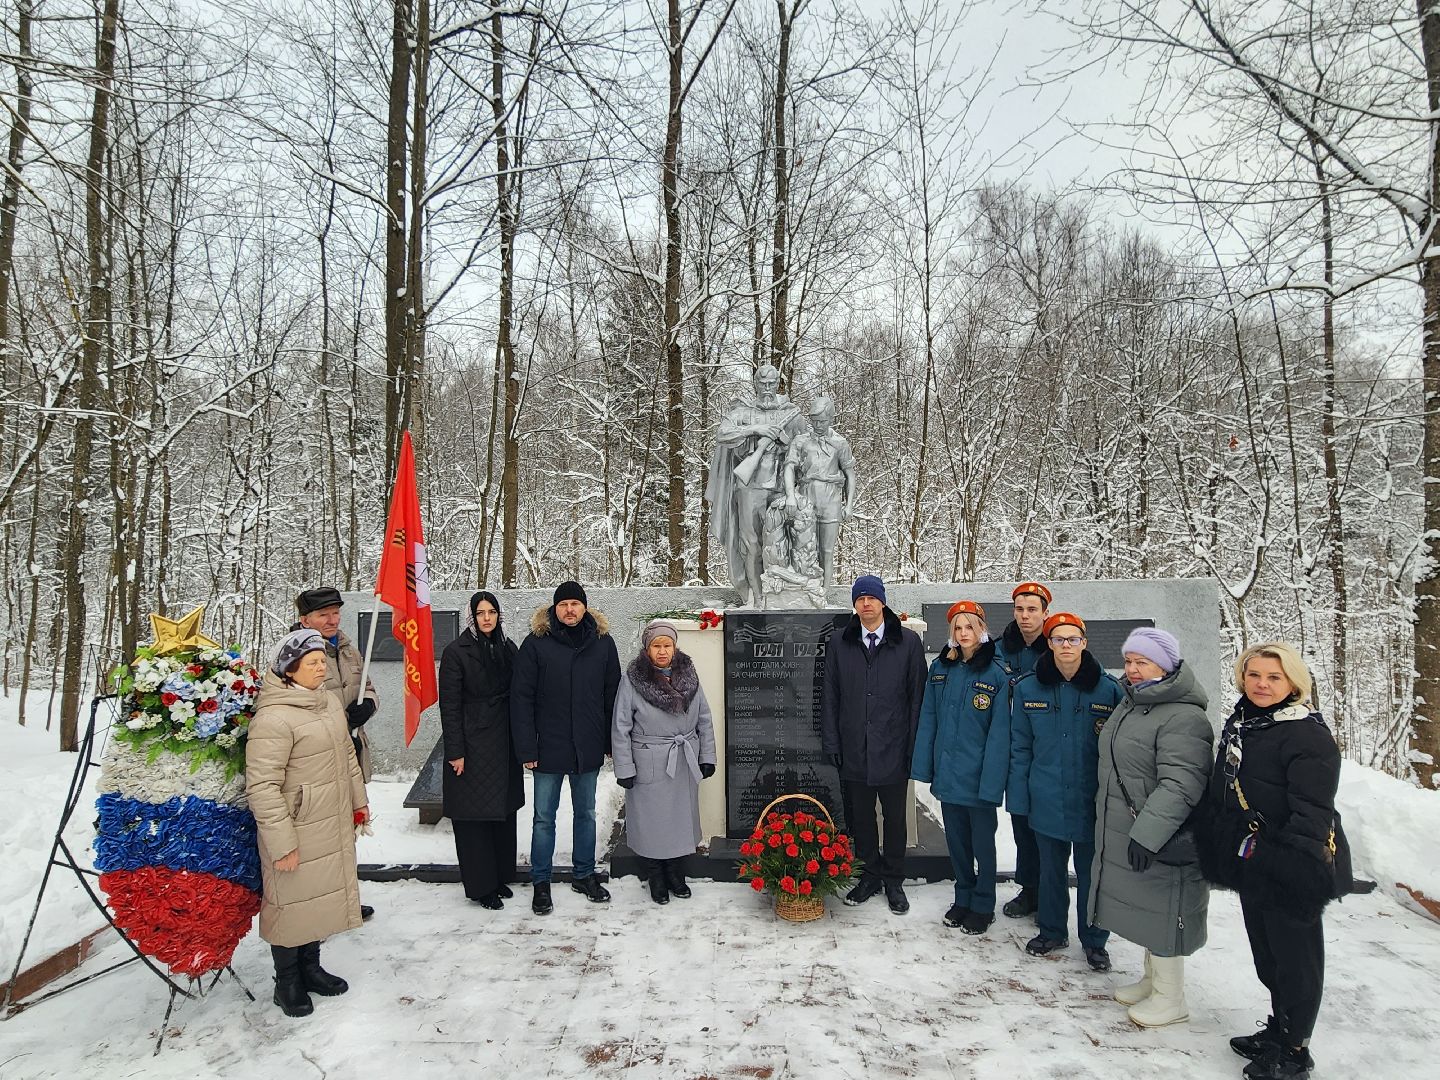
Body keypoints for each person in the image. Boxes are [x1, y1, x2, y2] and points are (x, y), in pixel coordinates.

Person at [1196, 643, 1350, 1080]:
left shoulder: (1306, 733)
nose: (1262, 684)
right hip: (1255, 856)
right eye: (1254, 675)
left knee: (1296, 958)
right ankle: (1279, 1030)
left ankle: (1296, 1049)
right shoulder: (1248, 719)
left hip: (1290, 864)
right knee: (1268, 953)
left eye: (1273, 677)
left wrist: (1292, 866)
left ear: (1293, 683)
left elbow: (1313, 810)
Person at [1090, 627, 1213, 1028]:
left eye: (1142, 662)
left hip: (1161, 834)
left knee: (1165, 910)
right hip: (1130, 825)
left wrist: (1147, 833)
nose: (1133, 669)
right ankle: (1152, 979)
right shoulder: (1134, 704)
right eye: (1129, 661)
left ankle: (1170, 996)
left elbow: (1181, 783)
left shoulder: (1184, 716)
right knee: (1147, 909)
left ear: (1167, 665)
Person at [246, 629, 369, 1018]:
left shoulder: (329, 702)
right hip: (296, 826)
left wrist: (358, 802)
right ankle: (287, 981)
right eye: (313, 663)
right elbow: (262, 787)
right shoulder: (273, 717)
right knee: (290, 904)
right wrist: (282, 843)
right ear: (289, 670)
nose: (321, 668)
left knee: (317, 898)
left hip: (329, 821)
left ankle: (311, 967)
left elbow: (347, 757)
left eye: (322, 661)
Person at [1008, 611, 1124, 971]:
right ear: (1050, 643)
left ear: (1084, 643)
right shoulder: (1029, 688)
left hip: (1091, 800)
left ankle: (1094, 940)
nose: (1066, 646)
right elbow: (1020, 748)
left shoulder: (1109, 690)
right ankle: (1052, 930)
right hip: (1046, 796)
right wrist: (1020, 798)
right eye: (1058, 639)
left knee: (1092, 874)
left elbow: (1120, 751)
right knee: (1050, 870)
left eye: (1073, 639)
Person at [510, 581, 621, 916]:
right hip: (547, 748)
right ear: (554, 609)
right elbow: (521, 699)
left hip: (585, 747)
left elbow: (611, 697)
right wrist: (527, 748)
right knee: (544, 817)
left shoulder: (603, 644)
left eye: (575, 603)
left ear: (584, 607)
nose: (569, 610)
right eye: (563, 605)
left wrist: (609, 743)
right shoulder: (536, 644)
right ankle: (541, 880)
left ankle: (584, 874)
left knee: (585, 813)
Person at [821, 574, 927, 915]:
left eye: (872, 597)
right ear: (854, 604)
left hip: (894, 746)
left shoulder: (907, 642)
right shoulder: (840, 641)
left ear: (883, 601)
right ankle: (869, 874)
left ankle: (894, 877)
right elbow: (831, 694)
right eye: (860, 598)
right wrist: (833, 740)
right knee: (862, 818)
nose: (866, 603)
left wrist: (914, 745)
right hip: (854, 746)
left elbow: (917, 698)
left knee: (895, 818)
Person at [911, 600, 1010, 934]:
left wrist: (992, 782)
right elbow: (929, 720)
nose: (964, 633)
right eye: (958, 628)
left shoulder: (995, 673)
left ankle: (983, 904)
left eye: (970, 626)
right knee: (957, 844)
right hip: (949, 776)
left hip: (979, 778)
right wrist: (926, 768)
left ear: (981, 629)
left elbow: (1000, 736)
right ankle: (963, 898)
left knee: (983, 844)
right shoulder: (942, 668)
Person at [611, 620, 718, 904]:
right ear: (647, 650)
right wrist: (624, 767)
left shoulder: (690, 676)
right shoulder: (633, 680)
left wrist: (707, 755)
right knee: (652, 821)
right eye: (656, 646)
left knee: (678, 819)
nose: (662, 651)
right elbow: (620, 726)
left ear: (674, 647)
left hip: (682, 760)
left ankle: (675, 872)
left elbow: (704, 719)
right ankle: (655, 874)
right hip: (649, 759)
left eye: (666, 645)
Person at [295, 586, 378, 920]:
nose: (332, 620)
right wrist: (341, 720)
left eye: (335, 613)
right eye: (322, 615)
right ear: (304, 619)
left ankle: (344, 899)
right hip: (317, 760)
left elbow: (366, 685)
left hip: (351, 752)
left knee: (347, 833)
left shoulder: (346, 649)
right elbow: (296, 706)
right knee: (319, 839)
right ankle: (318, 905)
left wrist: (368, 705)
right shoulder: (295, 655)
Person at [439, 591, 523, 909]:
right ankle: (481, 886)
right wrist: (455, 751)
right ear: (471, 616)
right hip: (472, 744)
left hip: (504, 743)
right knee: (473, 817)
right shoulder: (455, 652)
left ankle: (500, 877)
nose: (486, 618)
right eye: (480, 612)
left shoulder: (507, 648)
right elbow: (449, 707)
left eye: (492, 612)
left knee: (501, 813)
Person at [705, 363, 809, 606]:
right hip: (750, 485)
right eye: (762, 383)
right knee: (751, 544)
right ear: (755, 384)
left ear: (778, 384)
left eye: (772, 383)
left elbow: (804, 448)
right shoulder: (743, 411)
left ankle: (780, 596)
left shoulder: (791, 413)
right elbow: (722, 434)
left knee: (783, 542)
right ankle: (756, 596)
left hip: (783, 487)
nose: (767, 387)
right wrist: (756, 430)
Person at [996, 581, 1052, 920]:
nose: (1025, 616)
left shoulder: (1058, 644)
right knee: (1021, 822)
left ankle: (1049, 890)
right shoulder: (1004, 648)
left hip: (1048, 746)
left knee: (1046, 825)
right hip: (1017, 746)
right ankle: (1029, 888)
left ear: (1045, 612)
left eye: (1032, 609)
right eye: (1020, 609)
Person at [783, 395, 856, 587]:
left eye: (822, 421)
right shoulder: (801, 441)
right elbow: (789, 467)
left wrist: (848, 505)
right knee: (803, 546)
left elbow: (850, 475)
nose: (818, 425)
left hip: (831, 497)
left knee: (827, 550)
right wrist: (791, 495)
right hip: (806, 495)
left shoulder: (840, 443)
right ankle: (803, 590)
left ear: (831, 419)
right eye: (814, 421)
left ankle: (823, 594)